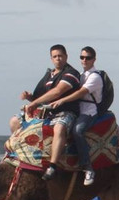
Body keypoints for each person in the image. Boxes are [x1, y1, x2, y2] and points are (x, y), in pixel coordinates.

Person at [44, 46, 104, 185]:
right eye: (82, 57)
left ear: (94, 59)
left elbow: (80, 93)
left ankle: (88, 168)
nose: (84, 60)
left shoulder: (95, 77)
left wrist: (62, 100)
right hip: (78, 109)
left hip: (89, 111)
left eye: (88, 58)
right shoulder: (82, 75)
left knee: (77, 130)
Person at [11, 44, 82, 135]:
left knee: (59, 128)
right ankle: (21, 147)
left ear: (66, 56)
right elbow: (39, 98)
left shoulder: (71, 73)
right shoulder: (49, 75)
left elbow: (58, 91)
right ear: (51, 59)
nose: (57, 58)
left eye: (60, 56)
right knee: (14, 121)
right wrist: (29, 97)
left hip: (65, 112)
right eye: (55, 56)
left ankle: (58, 149)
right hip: (46, 112)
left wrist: (35, 103)